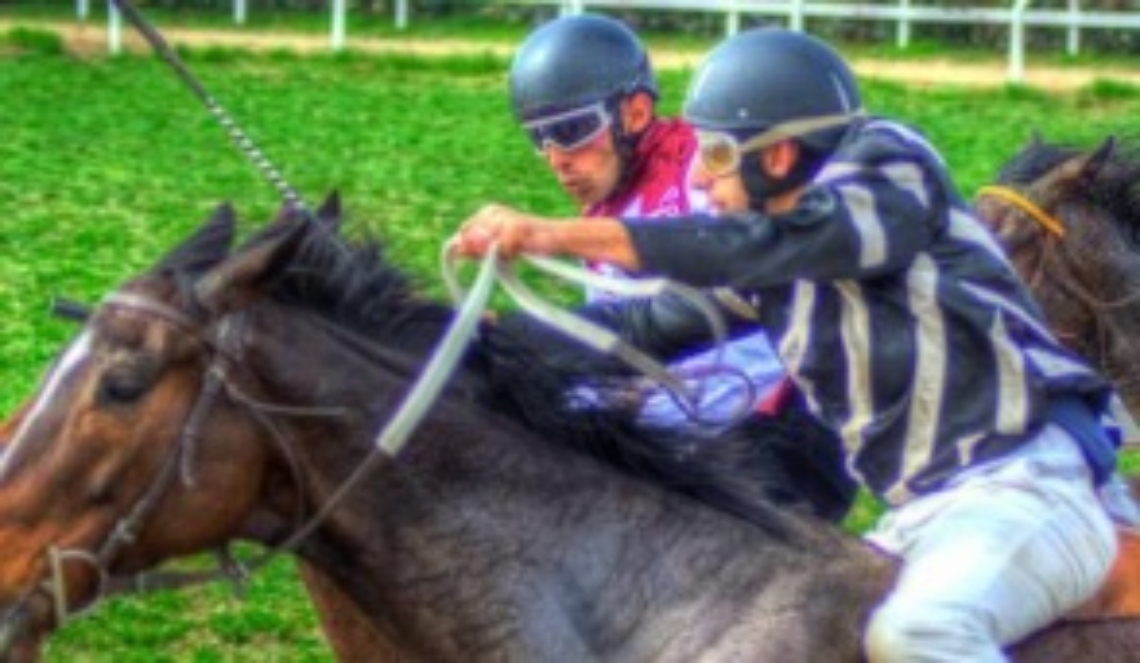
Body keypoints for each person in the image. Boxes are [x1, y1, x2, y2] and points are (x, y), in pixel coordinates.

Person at [454, 27, 1120, 662]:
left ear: (776, 155)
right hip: (930, 509)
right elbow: (640, 329)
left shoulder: (890, 168)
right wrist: (470, 348)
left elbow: (758, 246)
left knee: (923, 632)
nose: (704, 182)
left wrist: (553, 236)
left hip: (1034, 481)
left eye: (715, 156)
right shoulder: (775, 259)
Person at [503, 13, 855, 521]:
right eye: (539, 138)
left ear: (637, 112)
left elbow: (737, 264)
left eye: (573, 131)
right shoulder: (605, 206)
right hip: (700, 424)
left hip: (782, 424)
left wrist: (551, 237)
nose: (557, 158)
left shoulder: (703, 162)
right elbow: (625, 338)